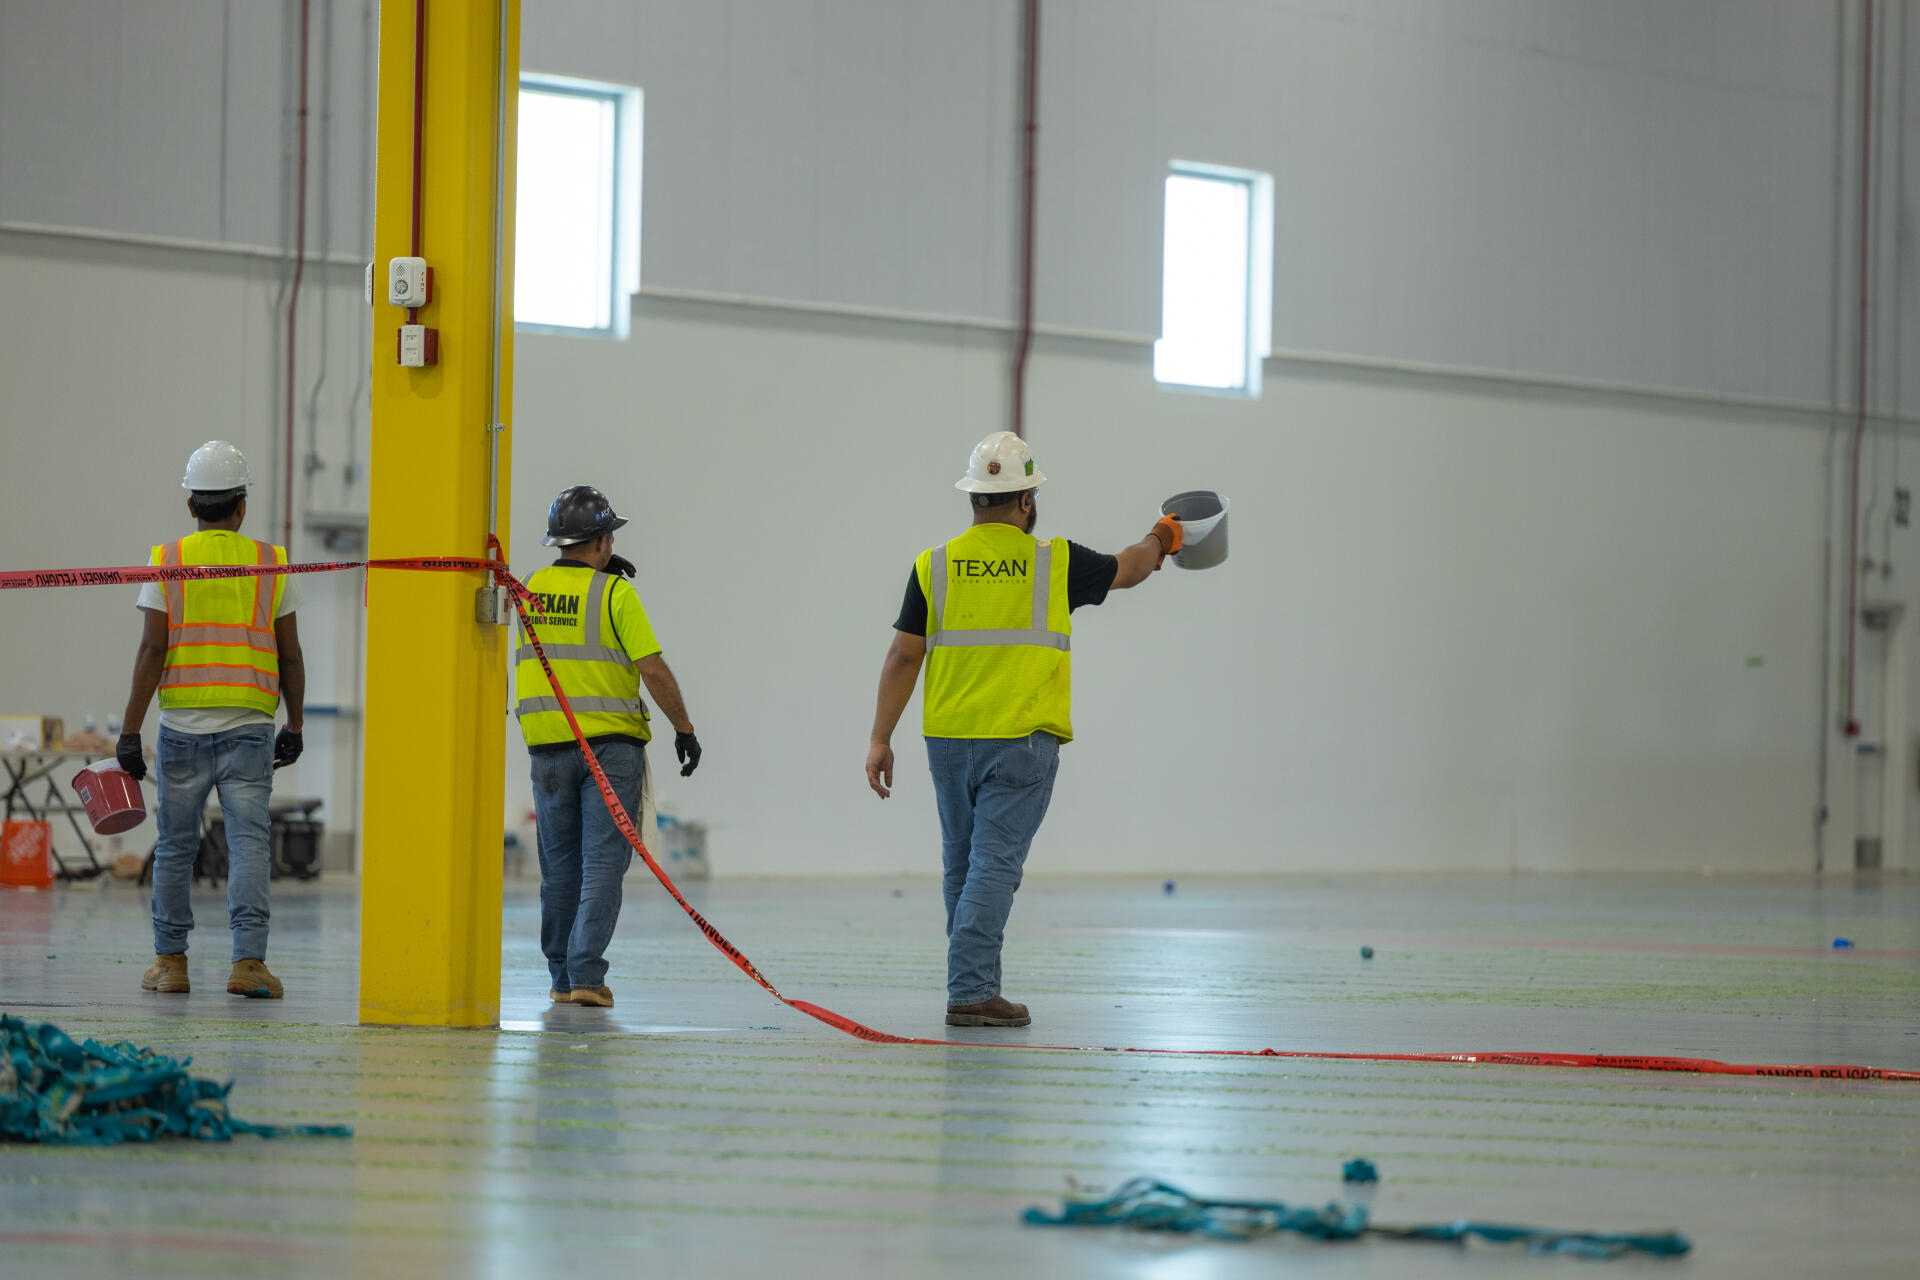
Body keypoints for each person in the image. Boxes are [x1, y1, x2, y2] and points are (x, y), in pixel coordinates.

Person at [865, 431, 1182, 1028]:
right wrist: (1162, 535)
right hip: (1021, 740)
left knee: (962, 864)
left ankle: (971, 982)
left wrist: (881, 737)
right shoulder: (1053, 560)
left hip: (948, 739)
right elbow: (1133, 569)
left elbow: (901, 658)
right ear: (1026, 500)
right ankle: (971, 991)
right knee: (994, 866)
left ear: (975, 497)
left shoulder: (933, 564)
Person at [119, 440, 305, 999]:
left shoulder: (167, 560)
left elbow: (152, 651)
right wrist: (294, 725)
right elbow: (290, 655)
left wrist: (130, 729)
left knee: (176, 845)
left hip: (182, 728)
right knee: (248, 842)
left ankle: (171, 963)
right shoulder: (272, 563)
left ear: (191, 505)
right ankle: (248, 965)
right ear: (241, 505)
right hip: (249, 724)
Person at [515, 485, 703, 1009]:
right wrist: (683, 728)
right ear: (601, 540)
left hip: (547, 748)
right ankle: (586, 977)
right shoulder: (616, 593)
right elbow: (652, 667)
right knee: (602, 863)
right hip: (609, 749)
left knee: (559, 867)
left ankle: (559, 977)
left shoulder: (527, 587)